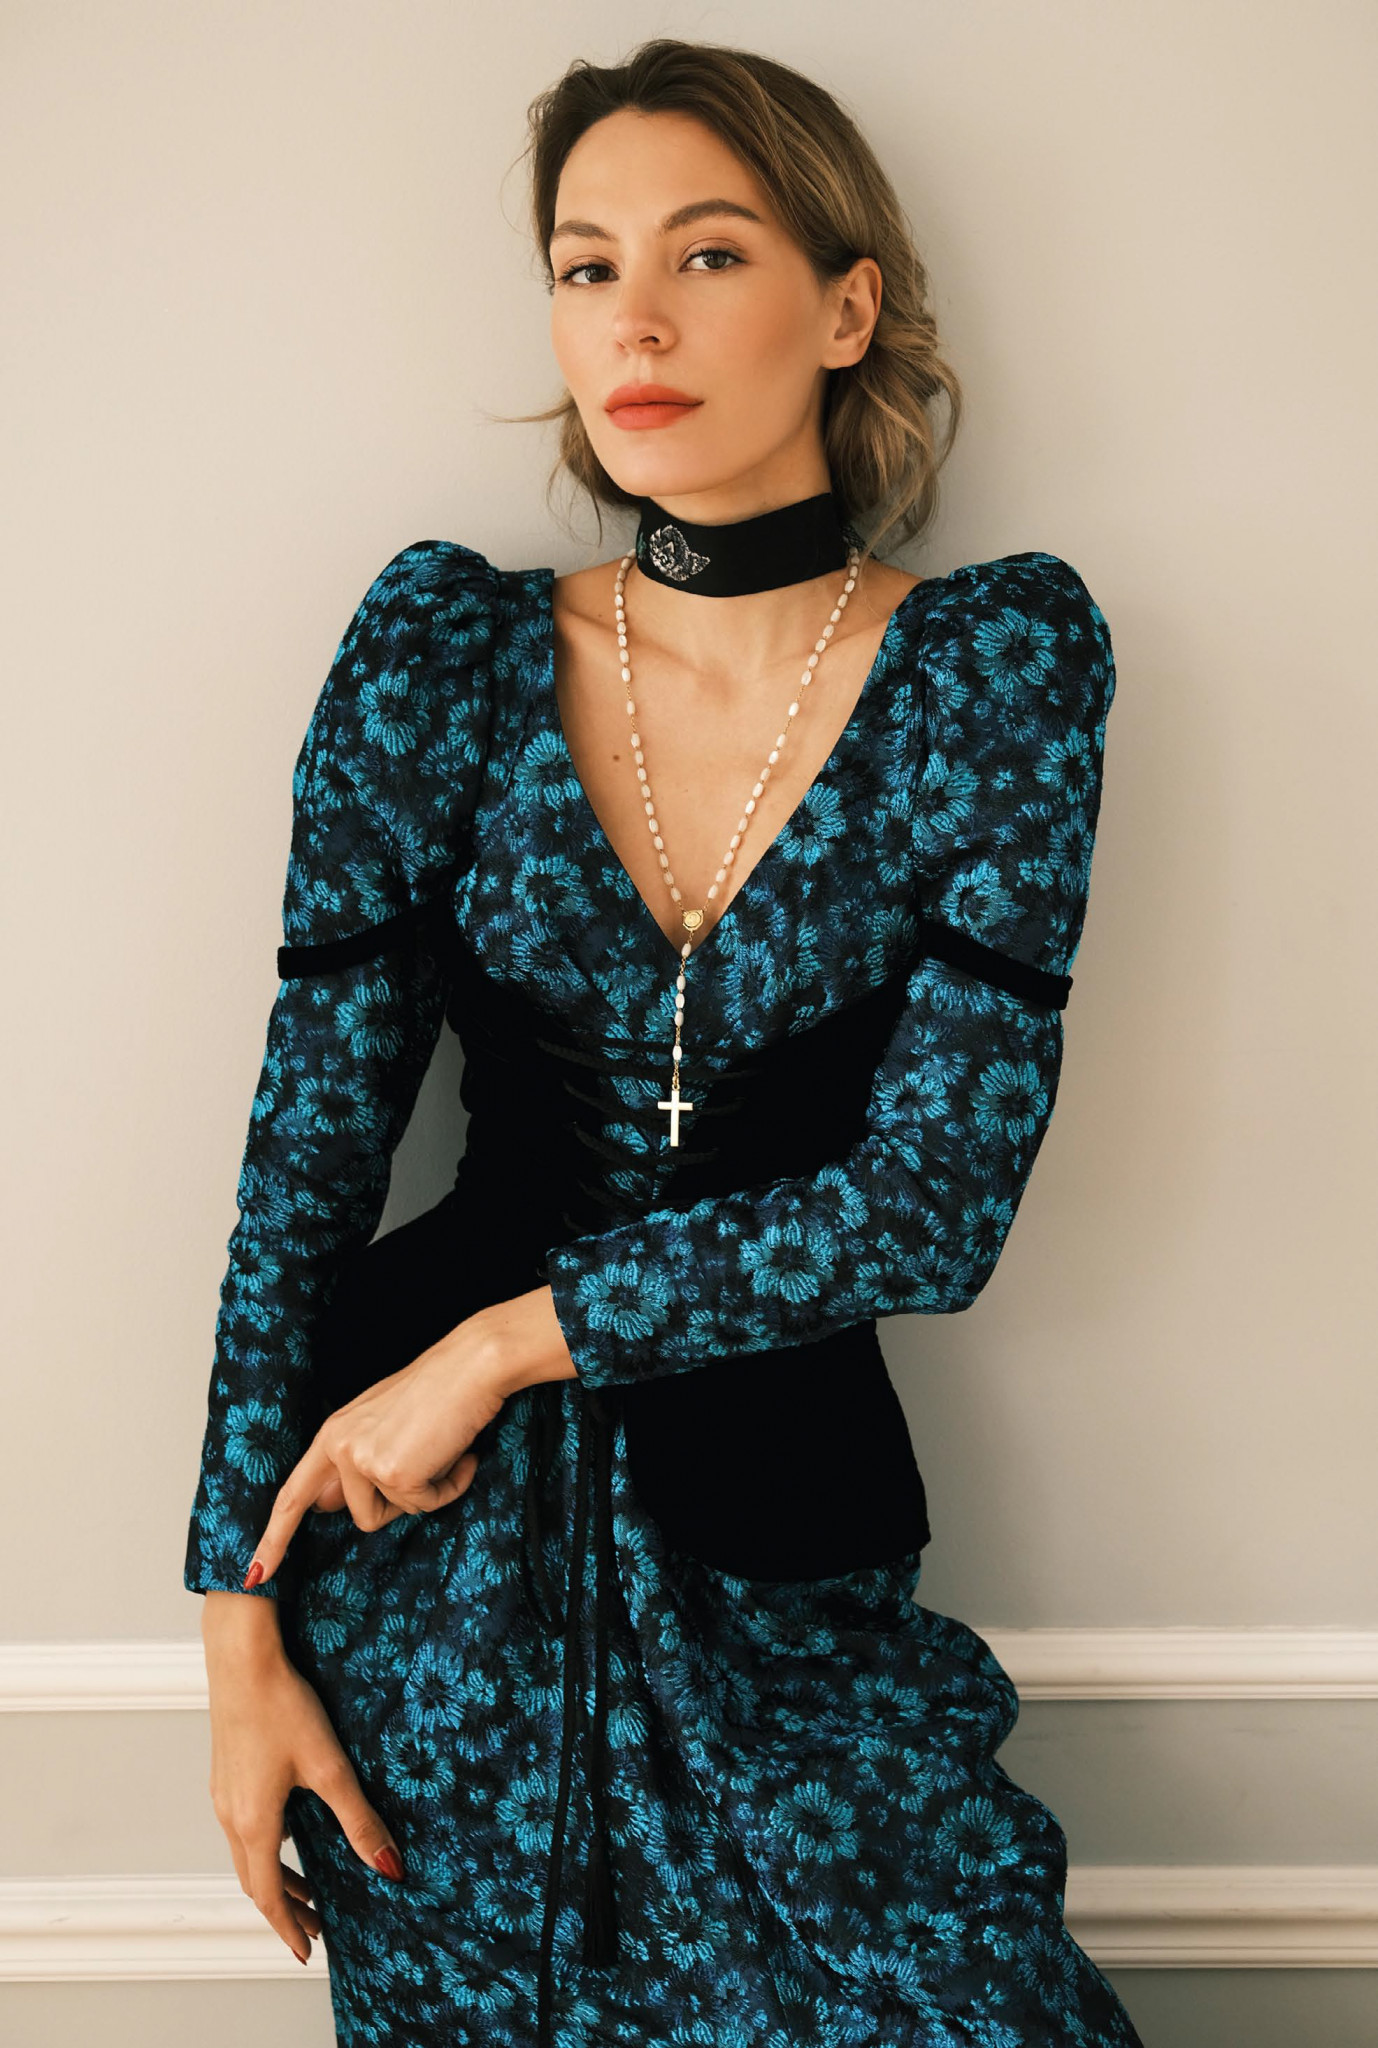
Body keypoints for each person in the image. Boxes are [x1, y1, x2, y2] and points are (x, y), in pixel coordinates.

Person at [184, 35, 1143, 2048]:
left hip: (779, 1567)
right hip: (422, 1589)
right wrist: (233, 1631)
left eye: (707, 255)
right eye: (583, 265)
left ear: (843, 307)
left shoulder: (989, 670)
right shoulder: (441, 657)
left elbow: (930, 1205)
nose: (633, 319)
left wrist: (498, 1343)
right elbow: (307, 1155)